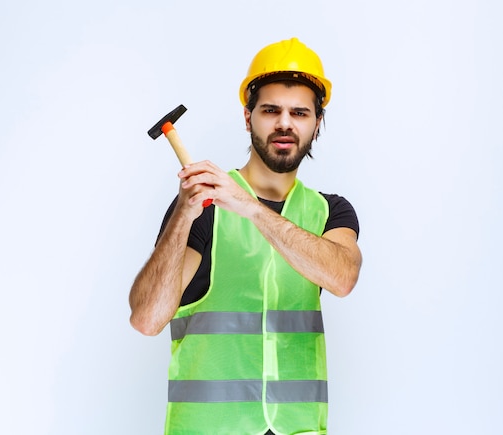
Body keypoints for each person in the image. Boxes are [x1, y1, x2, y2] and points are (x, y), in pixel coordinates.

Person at [129, 37, 362, 435]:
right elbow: (147, 319)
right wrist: (185, 213)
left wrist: (251, 206)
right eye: (271, 110)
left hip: (300, 428)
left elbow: (342, 278)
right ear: (248, 116)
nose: (285, 123)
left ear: (316, 123)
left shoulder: (330, 212)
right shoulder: (202, 208)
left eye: (299, 113)